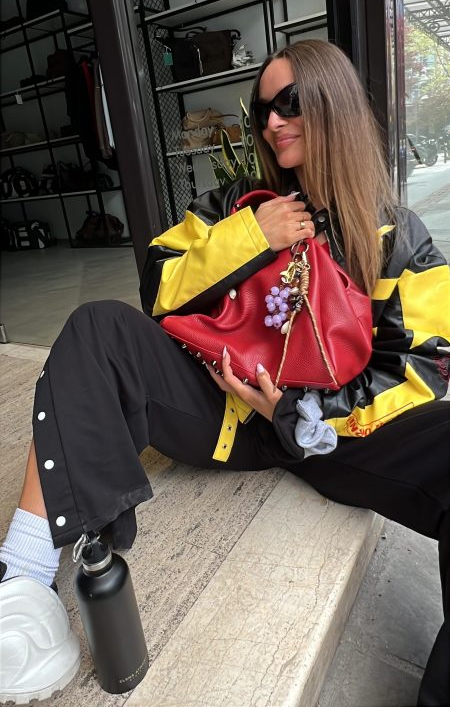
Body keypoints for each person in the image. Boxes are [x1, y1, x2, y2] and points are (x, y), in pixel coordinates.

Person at [1, 39, 449, 705]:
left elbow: (422, 366)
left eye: (290, 102)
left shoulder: (397, 234)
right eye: (264, 108)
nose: (272, 122)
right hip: (223, 411)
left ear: (336, 104)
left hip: (330, 434)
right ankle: (22, 578)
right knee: (97, 327)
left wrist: (293, 410)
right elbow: (158, 285)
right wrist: (252, 235)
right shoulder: (241, 200)